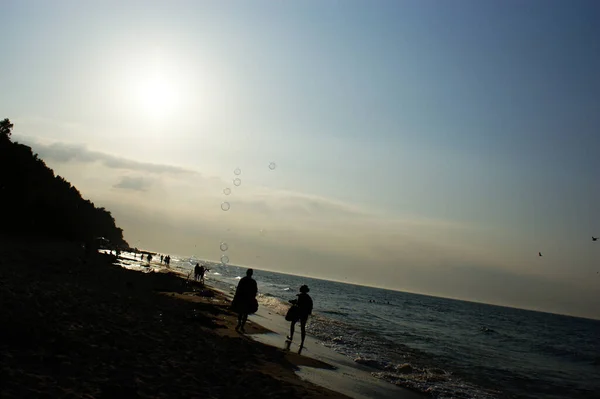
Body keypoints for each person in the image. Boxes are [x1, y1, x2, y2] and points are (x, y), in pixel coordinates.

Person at [231, 269, 258, 333]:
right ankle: (242, 326)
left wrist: (236, 298)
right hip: (248, 299)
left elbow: (238, 289)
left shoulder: (243, 280)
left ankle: (239, 323)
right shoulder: (253, 282)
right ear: (251, 274)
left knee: (240, 312)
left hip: (242, 298)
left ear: (246, 273)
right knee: (246, 313)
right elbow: (255, 292)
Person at [287, 285, 313, 351]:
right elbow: (310, 308)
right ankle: (302, 343)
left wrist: (292, 302)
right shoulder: (309, 297)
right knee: (302, 328)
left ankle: (291, 337)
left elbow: (298, 304)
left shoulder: (301, 296)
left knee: (293, 323)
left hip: (299, 312)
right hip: (305, 314)